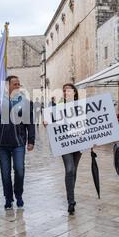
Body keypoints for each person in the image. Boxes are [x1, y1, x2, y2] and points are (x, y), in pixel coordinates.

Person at [0, 76, 35, 210]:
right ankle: (8, 198)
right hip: (2, 144)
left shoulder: (25, 102)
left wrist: (31, 140)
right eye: (15, 84)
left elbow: (30, 123)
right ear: (7, 86)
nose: (18, 86)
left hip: (18, 143)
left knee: (19, 170)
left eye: (19, 84)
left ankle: (18, 195)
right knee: (5, 173)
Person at [43, 83, 82, 215]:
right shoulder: (57, 107)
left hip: (78, 143)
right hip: (65, 143)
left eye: (68, 90)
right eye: (64, 91)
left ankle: (71, 195)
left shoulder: (82, 106)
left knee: (73, 171)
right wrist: (46, 122)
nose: (66, 93)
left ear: (75, 93)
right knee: (69, 169)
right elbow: (50, 120)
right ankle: (71, 201)